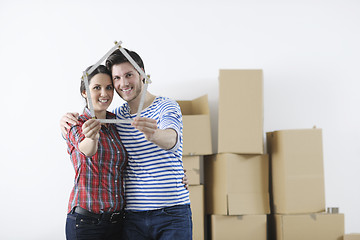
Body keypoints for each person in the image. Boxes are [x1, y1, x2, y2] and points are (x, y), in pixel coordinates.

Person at [60, 48, 192, 240]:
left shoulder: (166, 105)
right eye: (117, 78)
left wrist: (153, 134)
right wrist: (63, 120)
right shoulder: (117, 118)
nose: (123, 83)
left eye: (129, 75)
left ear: (143, 76)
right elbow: (86, 146)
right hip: (131, 217)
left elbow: (172, 139)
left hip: (171, 213)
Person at [65, 65, 127, 240]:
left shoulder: (117, 124)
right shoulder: (74, 123)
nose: (104, 94)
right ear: (85, 92)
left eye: (108, 87)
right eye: (97, 88)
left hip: (118, 223)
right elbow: (87, 149)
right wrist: (92, 138)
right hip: (86, 223)